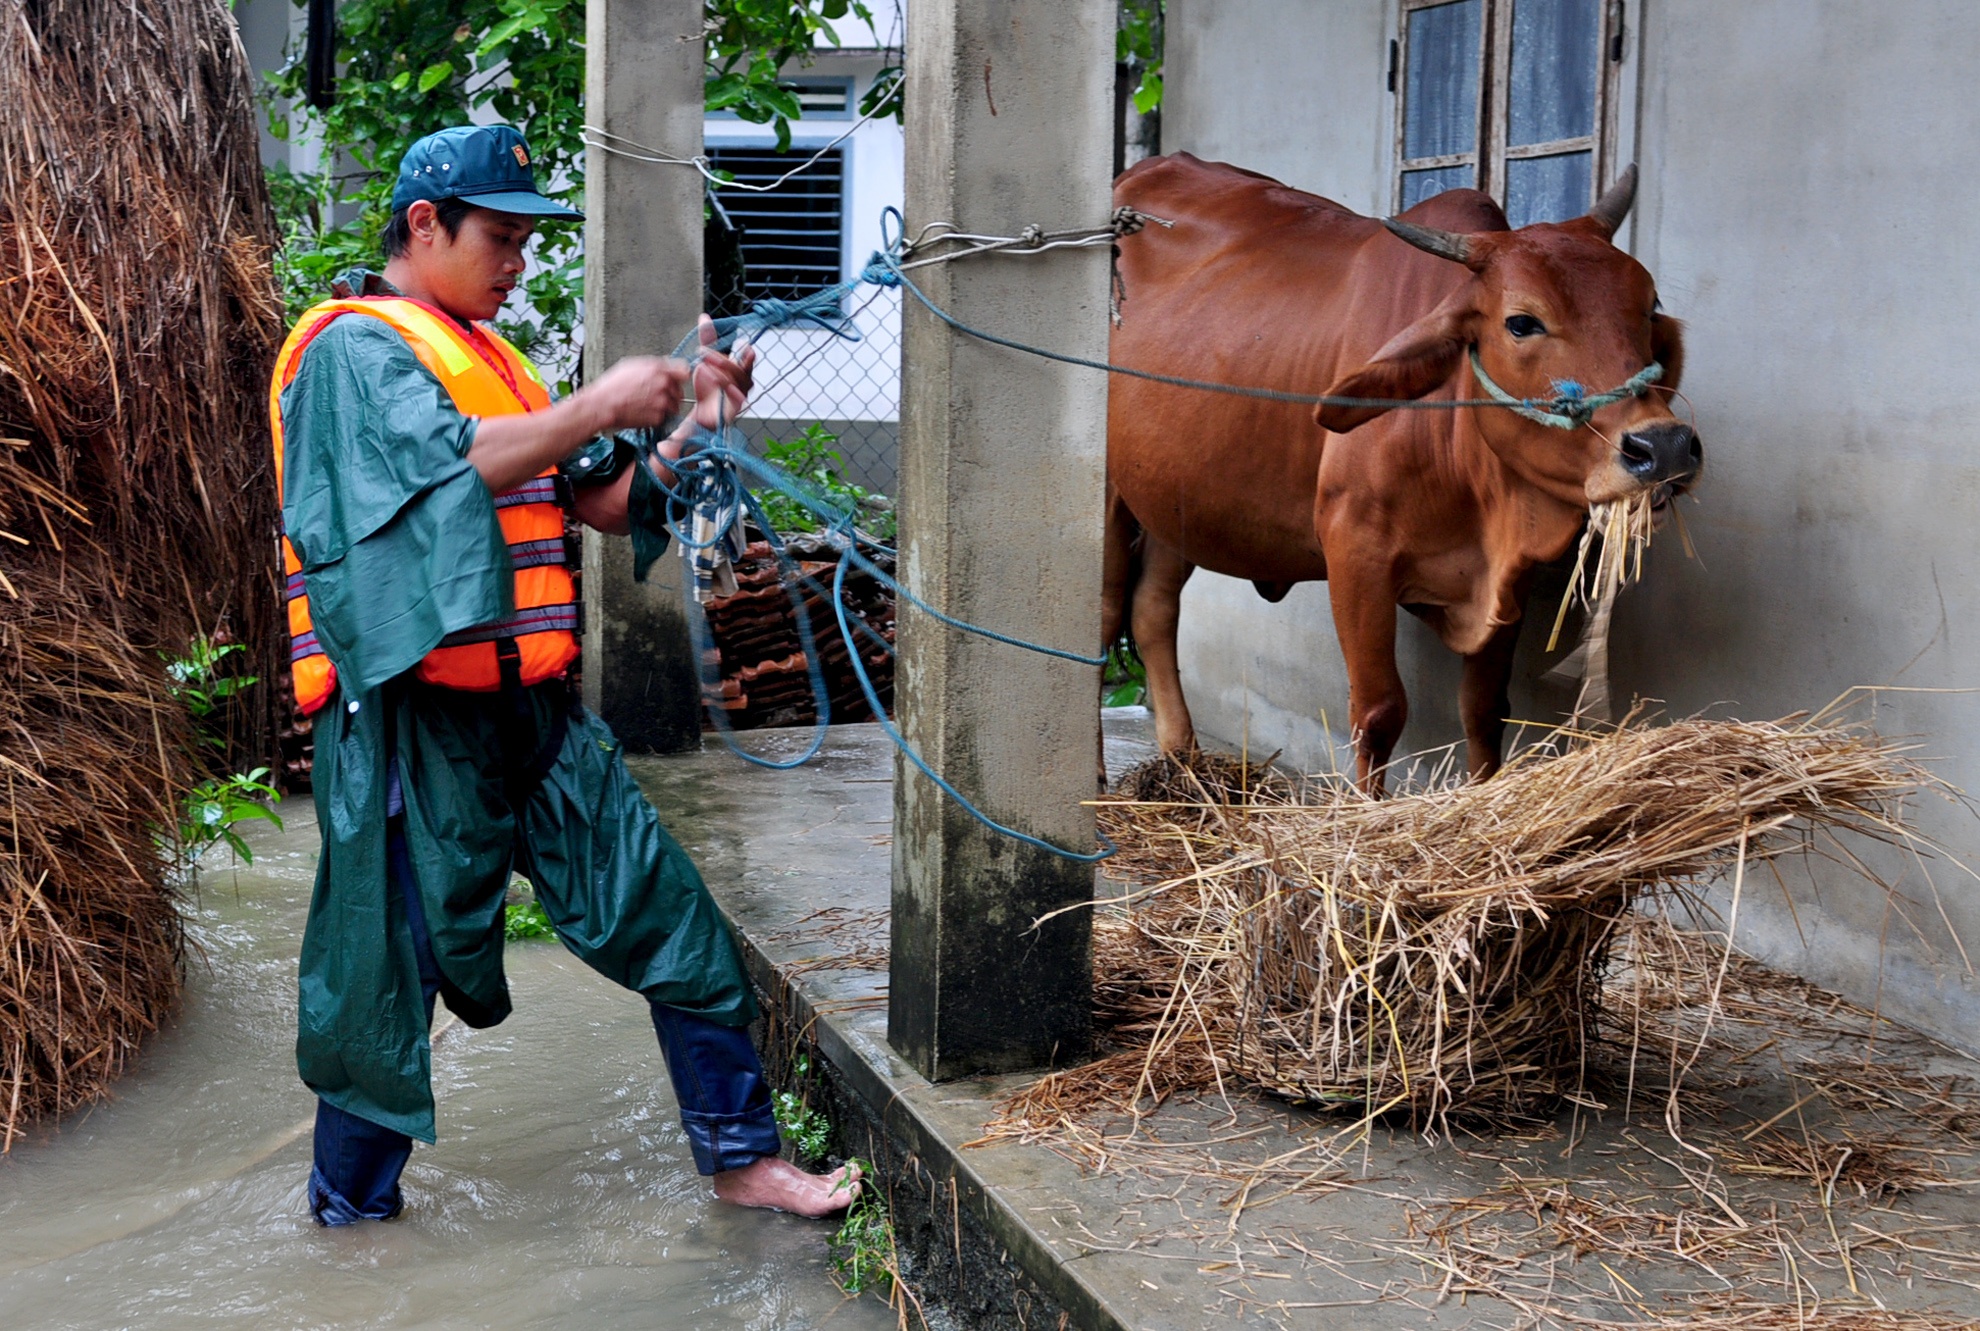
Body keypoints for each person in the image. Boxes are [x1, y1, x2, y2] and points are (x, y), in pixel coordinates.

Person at [272, 123, 856, 1225]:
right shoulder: (352, 350)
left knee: (672, 916)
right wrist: (598, 402)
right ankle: (348, 1222)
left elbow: (602, 499)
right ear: (424, 226)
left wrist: (692, 423)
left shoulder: (499, 361)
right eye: (501, 237)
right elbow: (447, 468)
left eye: (526, 240)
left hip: (535, 717)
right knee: (383, 980)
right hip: (413, 723)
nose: (519, 261)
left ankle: (742, 1158)